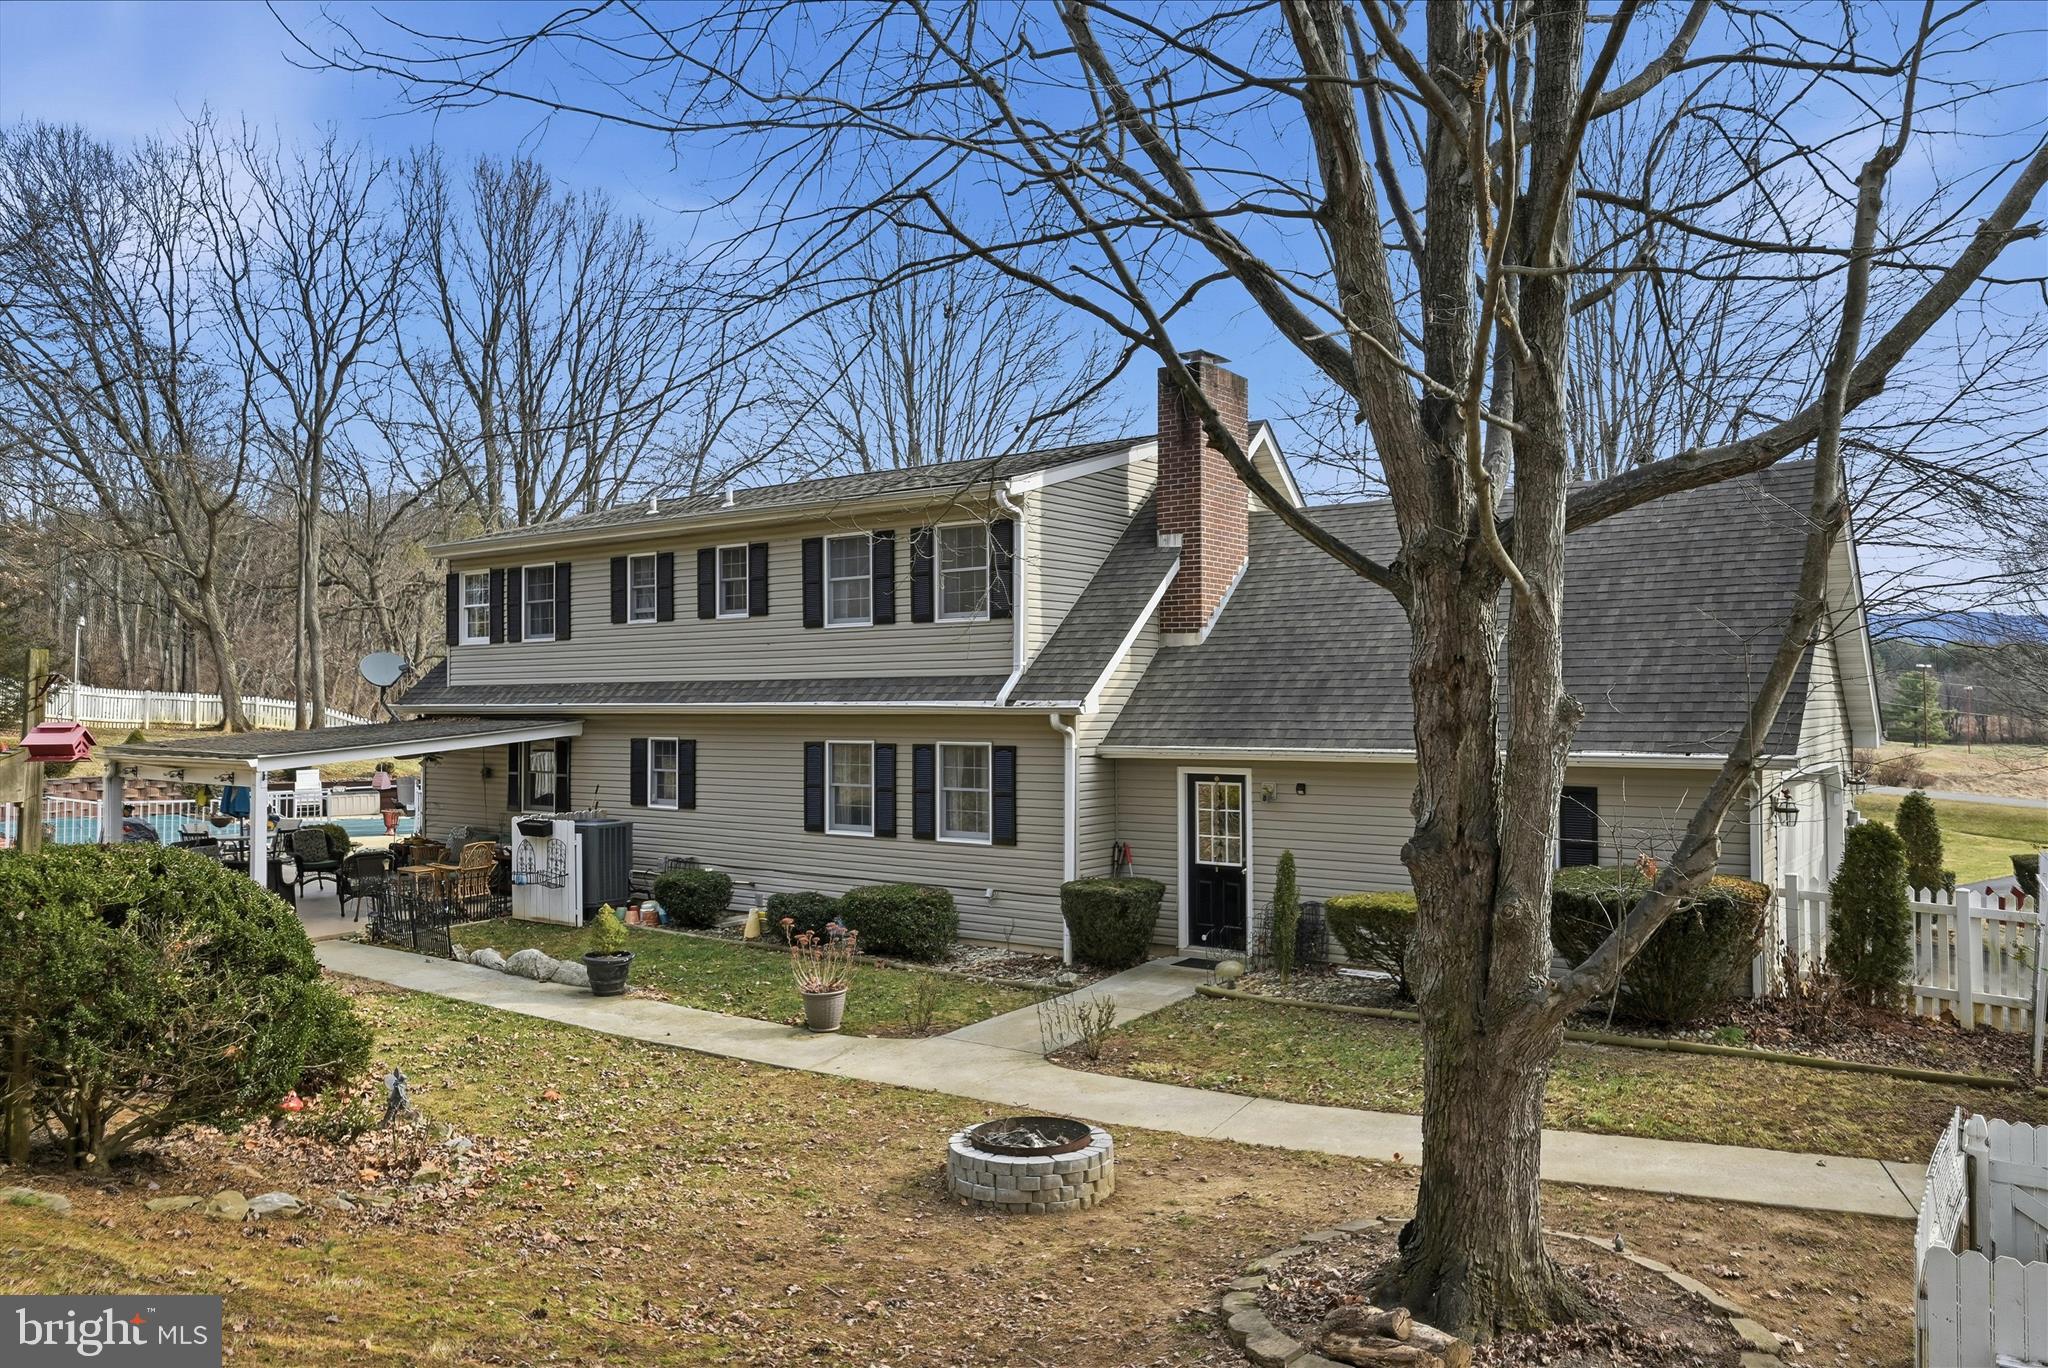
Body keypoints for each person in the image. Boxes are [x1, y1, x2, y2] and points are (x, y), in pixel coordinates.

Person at [372, 762, 401, 836]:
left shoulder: (379, 777)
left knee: (390, 814)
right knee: (391, 814)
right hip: (392, 801)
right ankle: (391, 829)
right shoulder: (385, 779)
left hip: (388, 801)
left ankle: (391, 829)